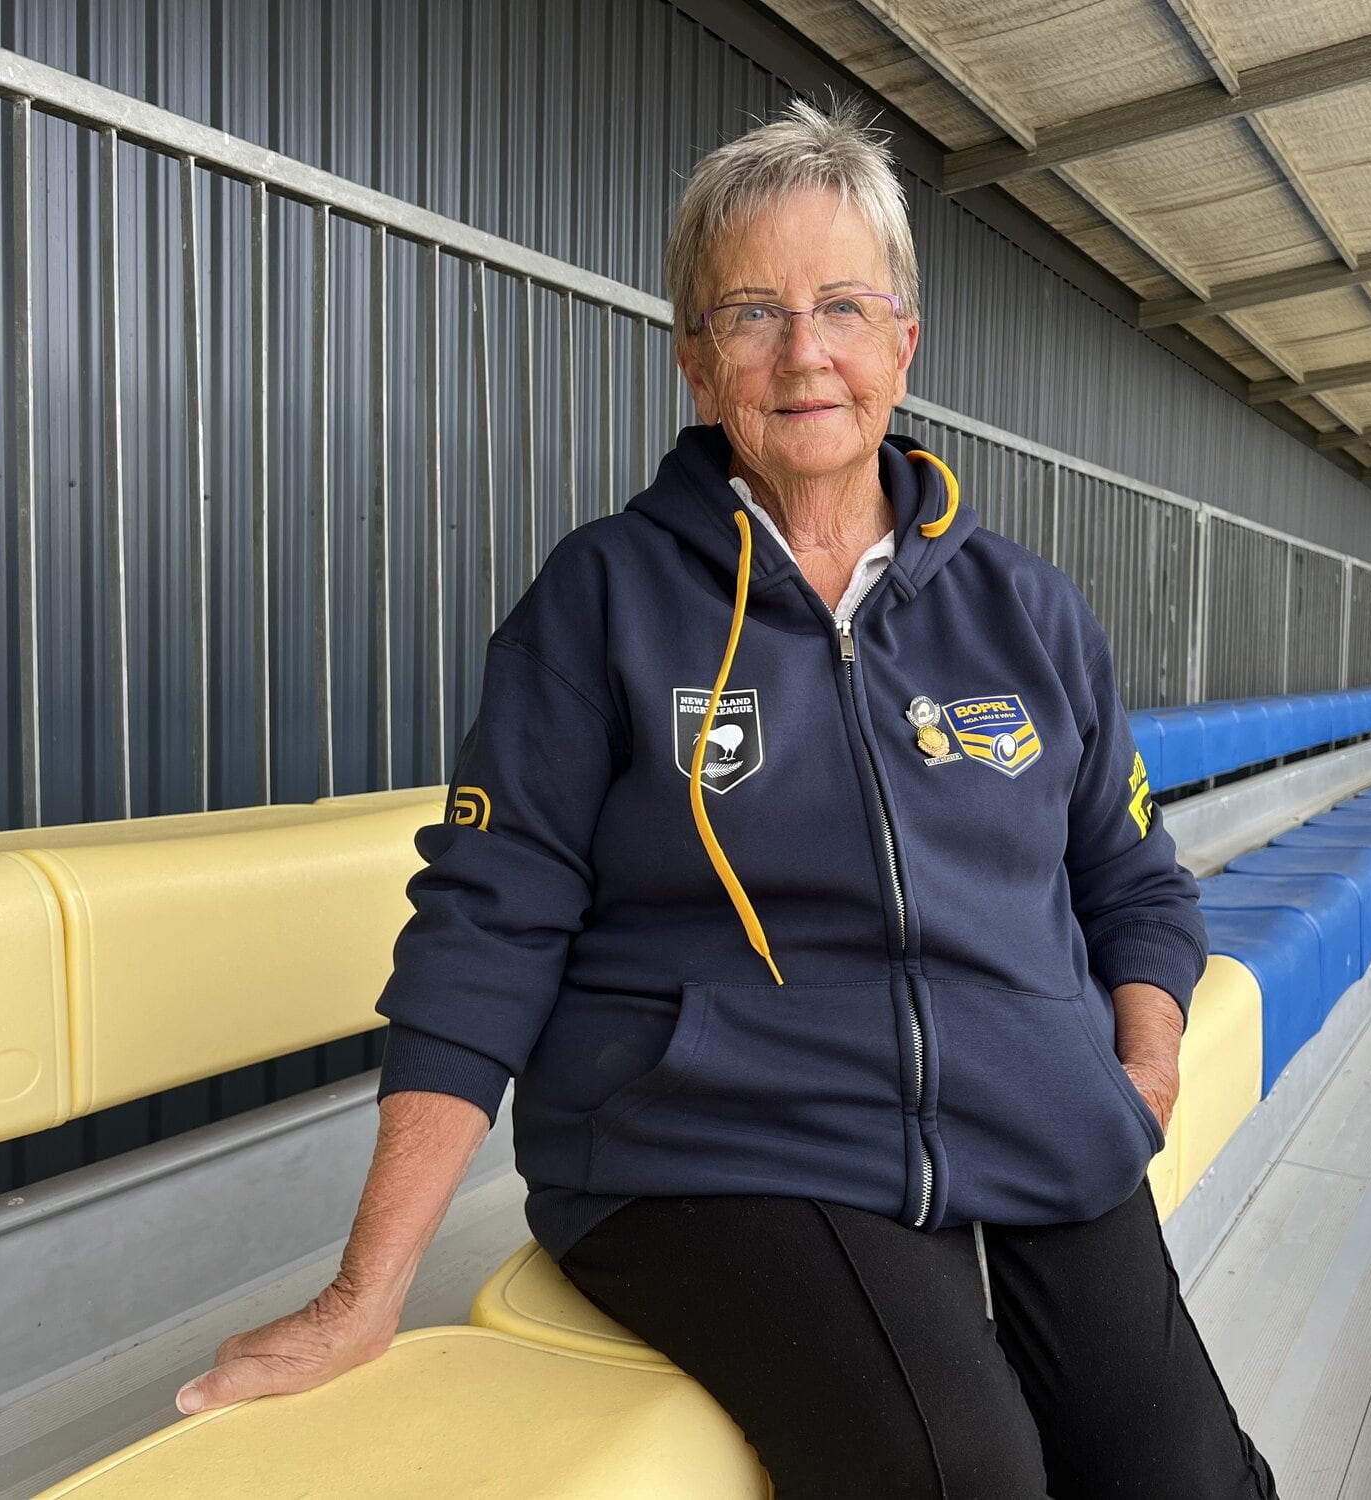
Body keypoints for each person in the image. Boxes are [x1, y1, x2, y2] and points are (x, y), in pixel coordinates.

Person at [177, 98, 1277, 1499]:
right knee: (960, 1472)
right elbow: (486, 927)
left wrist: (1143, 1067)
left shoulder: (1029, 612)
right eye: (751, 314)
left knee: (1190, 1478)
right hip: (712, 1137)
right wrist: (362, 1292)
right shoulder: (602, 602)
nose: (803, 351)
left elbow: (1130, 881)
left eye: (840, 306)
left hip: (1030, 1118)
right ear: (698, 366)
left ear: (903, 343)